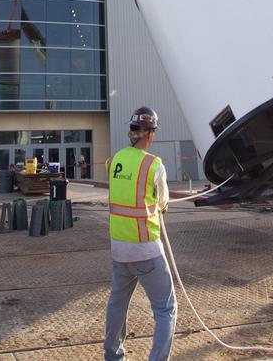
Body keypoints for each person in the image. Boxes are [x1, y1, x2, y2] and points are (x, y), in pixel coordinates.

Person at [104, 106, 175, 361]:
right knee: (165, 308)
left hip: (119, 250)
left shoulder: (113, 162)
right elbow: (162, 202)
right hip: (146, 249)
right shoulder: (154, 164)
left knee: (117, 304)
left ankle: (113, 356)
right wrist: (160, 206)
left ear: (132, 132)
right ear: (149, 134)